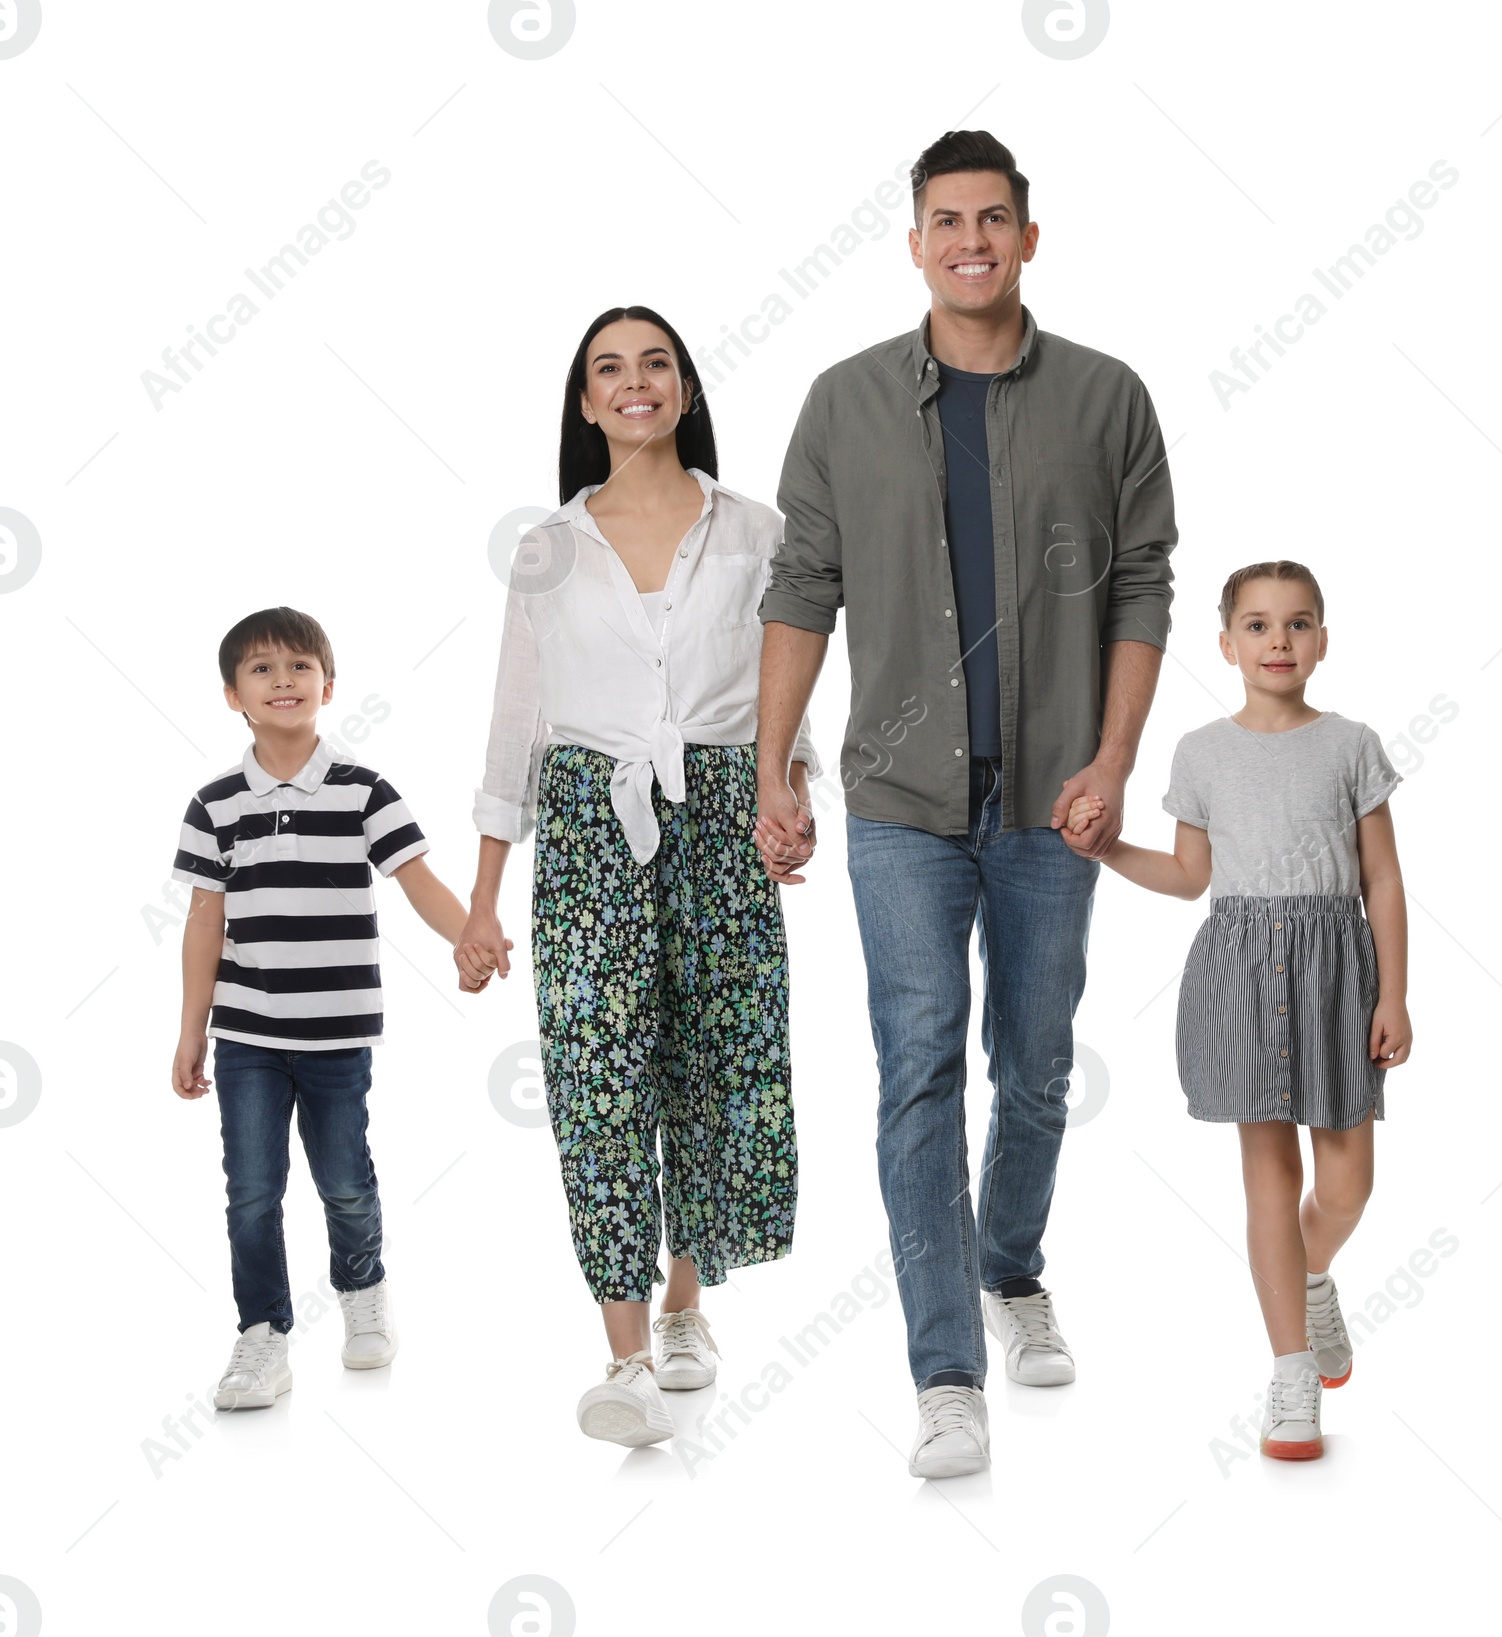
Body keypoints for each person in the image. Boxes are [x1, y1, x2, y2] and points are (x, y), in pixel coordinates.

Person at [754, 130, 1178, 1477]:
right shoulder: (843, 402)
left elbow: (1141, 589)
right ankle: (945, 1371)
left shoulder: (1109, 399)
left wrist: (1112, 763)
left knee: (1038, 1065)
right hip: (898, 800)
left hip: (1057, 802)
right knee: (920, 1062)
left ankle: (1011, 1265)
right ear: (917, 241)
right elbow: (799, 591)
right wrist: (778, 764)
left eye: (994, 218)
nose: (971, 239)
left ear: (1029, 238)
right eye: (947, 220)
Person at [457, 306, 820, 1448]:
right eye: (608, 369)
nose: (633, 382)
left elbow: (788, 686)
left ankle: (682, 1308)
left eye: (653, 363)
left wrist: (790, 786)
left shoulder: (757, 531)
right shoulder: (547, 548)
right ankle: (621, 1354)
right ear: (584, 401)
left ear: (685, 387)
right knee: (596, 1073)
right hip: (584, 817)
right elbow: (517, 719)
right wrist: (480, 893)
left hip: (718, 808)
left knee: (710, 1061)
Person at [1068, 560, 1411, 1460]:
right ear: (1226, 644)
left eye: (1298, 624)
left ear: (1323, 641)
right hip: (1242, 974)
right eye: (1257, 626)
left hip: (1340, 974)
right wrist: (1110, 852)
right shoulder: (1201, 753)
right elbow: (1189, 878)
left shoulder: (1352, 745)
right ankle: (1292, 1372)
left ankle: (1314, 1275)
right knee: (1269, 1180)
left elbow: (1382, 877)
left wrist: (1396, 994)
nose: (1278, 641)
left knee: (1347, 1186)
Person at [170, 607, 472, 1409]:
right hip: (245, 1035)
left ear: (328, 686)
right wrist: (190, 1029)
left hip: (337, 1033)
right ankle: (262, 1335)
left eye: (299, 667)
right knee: (252, 1188)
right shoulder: (215, 804)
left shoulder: (364, 790)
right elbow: (206, 920)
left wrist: (469, 934)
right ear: (232, 693)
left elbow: (418, 881)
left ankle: (363, 1286)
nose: (283, 681)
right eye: (262, 670)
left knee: (343, 1177)